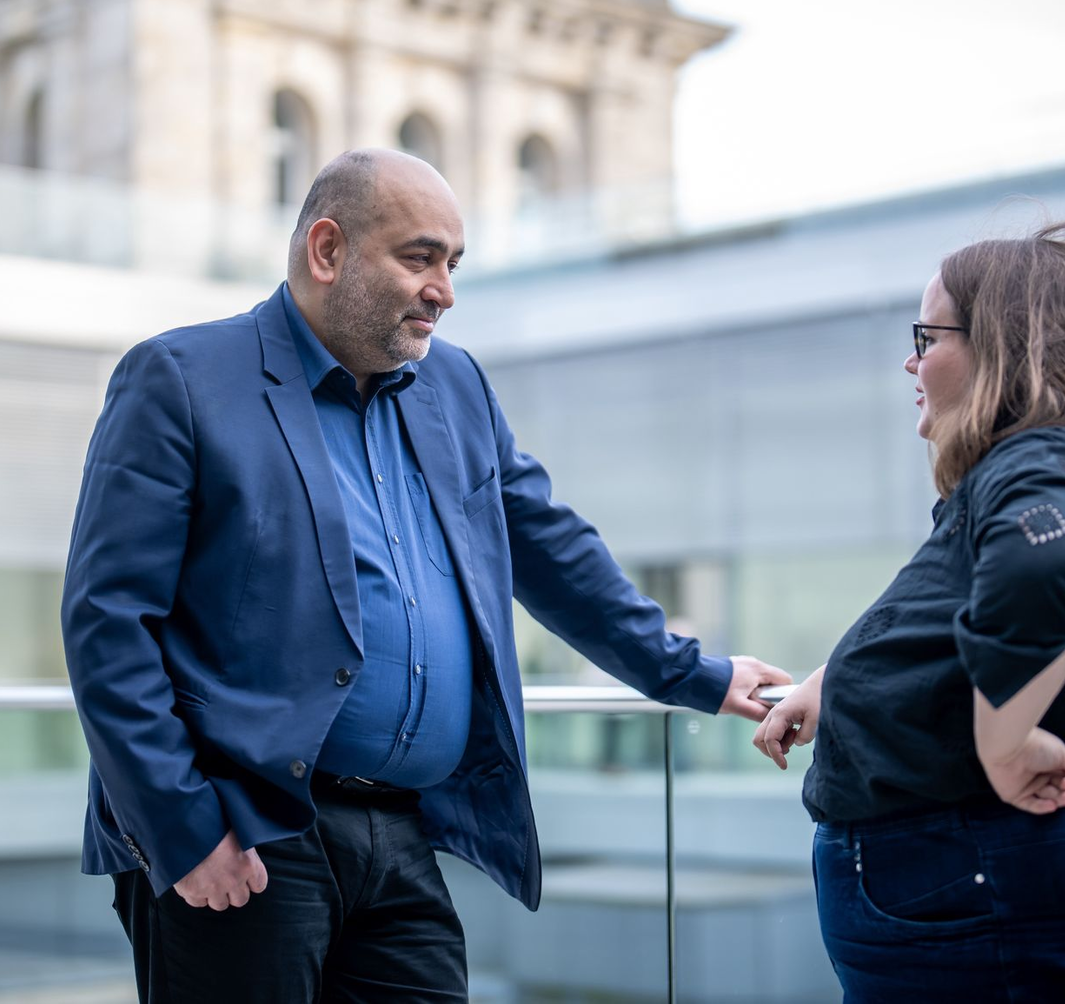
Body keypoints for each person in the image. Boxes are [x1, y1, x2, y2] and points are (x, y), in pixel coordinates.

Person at [61, 148, 789, 1004]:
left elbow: (553, 551)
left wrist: (695, 673)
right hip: (242, 830)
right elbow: (107, 622)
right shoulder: (180, 379)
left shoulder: (456, 385)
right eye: (420, 257)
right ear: (327, 250)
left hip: (402, 830)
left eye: (453, 263)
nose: (443, 289)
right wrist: (182, 827)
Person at [754, 221, 1065, 1002]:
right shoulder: (1048, 465)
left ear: (1005, 345)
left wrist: (1005, 739)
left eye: (928, 336)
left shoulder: (1046, 463)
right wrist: (841, 677)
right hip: (979, 884)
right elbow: (981, 610)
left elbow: (1049, 560)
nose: (911, 361)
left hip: (981, 880)